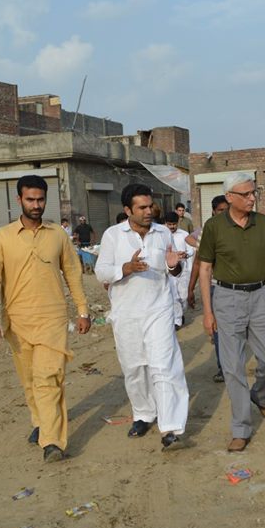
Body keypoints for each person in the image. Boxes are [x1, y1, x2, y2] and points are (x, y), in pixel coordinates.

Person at [0, 175, 91, 463]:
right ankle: (40, 422)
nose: (36, 205)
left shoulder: (58, 235)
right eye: (30, 199)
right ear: (19, 200)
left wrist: (82, 310)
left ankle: (52, 442)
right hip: (17, 321)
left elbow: (73, 273)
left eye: (41, 199)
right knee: (29, 380)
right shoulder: (2, 238)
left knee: (48, 378)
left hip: (52, 319)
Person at [197, 172, 265, 452]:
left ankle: (262, 398)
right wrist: (208, 311)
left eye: (254, 193)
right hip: (226, 299)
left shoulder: (262, 223)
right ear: (230, 197)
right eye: (246, 194)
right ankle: (241, 428)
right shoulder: (214, 227)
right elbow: (205, 268)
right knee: (233, 367)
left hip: (260, 296)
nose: (252, 198)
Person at [96, 184, 188, 449]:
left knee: (164, 367)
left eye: (151, 206)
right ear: (128, 210)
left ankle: (170, 427)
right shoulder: (113, 235)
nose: (149, 211)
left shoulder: (162, 233)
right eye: (142, 208)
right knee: (134, 368)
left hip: (159, 310)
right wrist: (126, 268)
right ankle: (144, 414)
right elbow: (101, 272)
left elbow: (174, 271)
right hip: (126, 314)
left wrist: (173, 265)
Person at [189, 195, 229, 383]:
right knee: (219, 331)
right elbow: (199, 263)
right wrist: (190, 289)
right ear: (213, 211)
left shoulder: (238, 227)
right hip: (216, 287)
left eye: (226, 209)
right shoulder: (208, 230)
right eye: (220, 210)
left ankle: (231, 363)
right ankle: (224, 367)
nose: (224, 213)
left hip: (237, 288)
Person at [164, 211, 194, 329]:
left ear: (178, 223)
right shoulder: (162, 235)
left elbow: (191, 249)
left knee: (183, 296)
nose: (172, 227)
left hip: (183, 270)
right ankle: (177, 320)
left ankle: (180, 312)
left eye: (174, 224)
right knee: (174, 296)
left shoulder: (184, 234)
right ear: (165, 223)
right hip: (169, 270)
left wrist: (186, 254)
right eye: (169, 224)